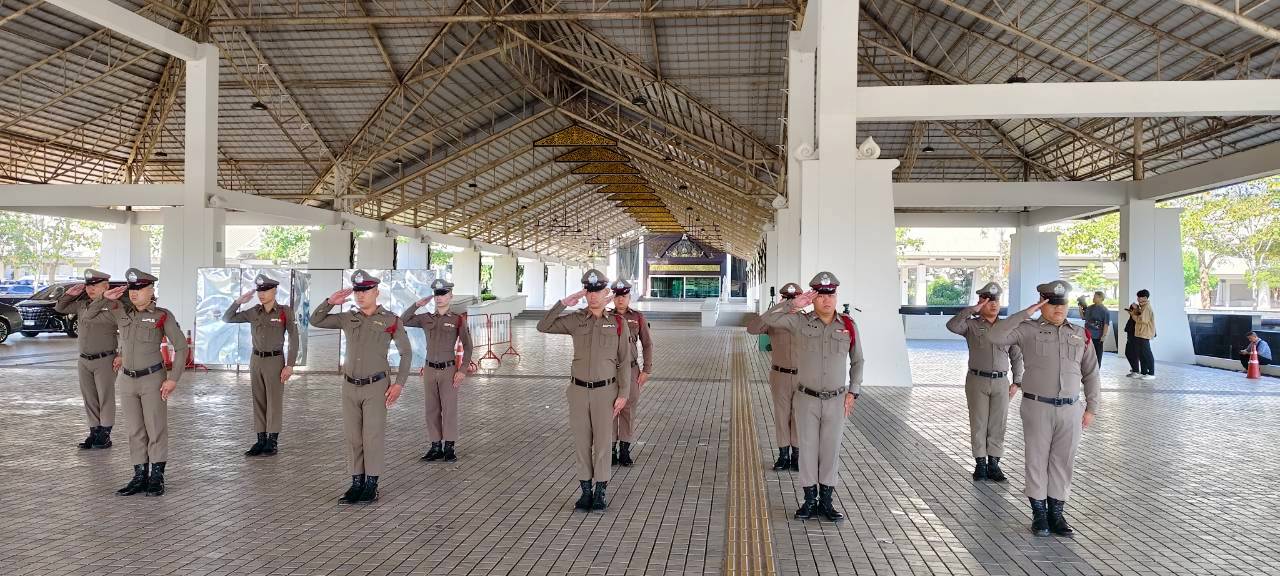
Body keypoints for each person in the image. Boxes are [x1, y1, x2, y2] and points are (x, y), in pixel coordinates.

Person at [987, 279, 1100, 537]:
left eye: (1063, 304)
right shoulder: (1027, 330)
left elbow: (1091, 373)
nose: (1059, 309)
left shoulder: (1080, 333)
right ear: (1042, 304)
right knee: (1037, 460)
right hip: (1037, 406)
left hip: (1070, 408)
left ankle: (1056, 514)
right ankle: (1039, 514)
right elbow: (995, 335)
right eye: (1052, 304)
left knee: (1063, 461)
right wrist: (1027, 312)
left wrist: (1091, 407)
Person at [756, 272, 863, 522]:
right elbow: (766, 320)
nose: (827, 300)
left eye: (831, 295)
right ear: (813, 298)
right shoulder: (799, 322)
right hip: (806, 399)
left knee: (830, 450)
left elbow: (858, 360)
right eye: (821, 295)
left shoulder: (848, 325)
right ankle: (809, 500)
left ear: (836, 297)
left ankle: (826, 502)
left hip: (836, 400)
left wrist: (853, 391)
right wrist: (793, 304)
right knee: (807, 450)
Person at [309, 270, 412, 504]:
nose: (360, 295)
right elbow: (316, 320)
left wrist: (399, 384)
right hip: (349, 386)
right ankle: (356, 483)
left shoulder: (391, 320)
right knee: (353, 437)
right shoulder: (347, 317)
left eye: (365, 290)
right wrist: (329, 302)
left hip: (376, 386)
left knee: (372, 436)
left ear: (376, 292)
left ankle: (371, 485)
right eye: (357, 291)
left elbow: (406, 353)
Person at [536, 269, 632, 512]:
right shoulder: (576, 319)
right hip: (578, 391)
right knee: (581, 442)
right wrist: (564, 303)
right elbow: (543, 326)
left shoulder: (617, 323)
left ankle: (600, 491)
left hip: (606, 392)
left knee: (603, 443)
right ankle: (585, 491)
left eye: (597, 291)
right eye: (588, 291)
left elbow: (624, 361)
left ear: (606, 292)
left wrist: (623, 393)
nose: (592, 296)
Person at [104, 268, 187, 497]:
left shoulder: (162, 316)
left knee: (155, 428)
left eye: (140, 288)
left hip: (153, 379)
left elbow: (181, 347)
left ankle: (157, 477)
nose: (134, 292)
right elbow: (92, 314)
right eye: (132, 288)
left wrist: (173, 379)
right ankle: (139, 476)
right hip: (127, 381)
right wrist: (105, 298)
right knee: (134, 430)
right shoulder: (121, 312)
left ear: (151, 290)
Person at [945, 282, 1024, 483]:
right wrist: (972, 310)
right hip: (977, 380)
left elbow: (1016, 356)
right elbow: (952, 325)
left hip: (1001, 382)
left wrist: (1017, 381)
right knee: (979, 422)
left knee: (998, 424)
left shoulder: (1007, 327)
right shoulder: (971, 325)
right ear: (981, 302)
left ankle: (994, 464)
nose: (994, 304)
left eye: (996, 300)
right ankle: (980, 463)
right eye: (988, 301)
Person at [222, 273, 299, 457]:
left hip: (275, 360)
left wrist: (290, 365)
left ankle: (272, 441)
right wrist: (239, 302)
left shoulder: (284, 312)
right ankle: (260, 439)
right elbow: (227, 318)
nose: (262, 294)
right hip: (256, 360)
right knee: (258, 400)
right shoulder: (254, 312)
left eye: (265, 290)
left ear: (274, 291)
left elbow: (294, 339)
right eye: (259, 291)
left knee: (274, 401)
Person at [400, 278, 473, 463]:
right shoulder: (425, 318)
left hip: (449, 370)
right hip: (430, 370)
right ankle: (435, 447)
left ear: (450, 296)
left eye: (442, 294)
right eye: (436, 294)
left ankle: (449, 447)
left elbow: (468, 346)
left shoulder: (457, 319)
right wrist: (417, 305)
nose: (439, 297)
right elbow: (403, 320)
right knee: (431, 409)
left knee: (449, 409)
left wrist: (462, 369)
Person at [54, 269, 121, 449]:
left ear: (106, 287)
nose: (90, 289)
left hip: (105, 359)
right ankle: (94, 431)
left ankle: (105, 434)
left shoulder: (114, 305)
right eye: (88, 285)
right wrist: (69, 295)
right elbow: (60, 308)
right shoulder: (82, 305)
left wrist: (122, 354)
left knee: (105, 397)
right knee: (89, 397)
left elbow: (126, 330)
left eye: (95, 286)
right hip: (84, 360)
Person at [746, 281, 802, 471]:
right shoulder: (773, 320)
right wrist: (779, 308)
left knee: (798, 416)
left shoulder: (807, 320)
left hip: (803, 377)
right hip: (780, 375)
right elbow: (752, 328)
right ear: (781, 299)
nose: (791, 303)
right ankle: (783, 455)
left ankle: (797, 456)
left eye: (794, 299)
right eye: (787, 299)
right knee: (781, 416)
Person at [608, 278, 652, 467]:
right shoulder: (605, 317)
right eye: (617, 296)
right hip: (609, 371)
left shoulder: (638, 317)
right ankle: (610, 450)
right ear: (613, 298)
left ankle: (624, 450)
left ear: (629, 298)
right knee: (610, 409)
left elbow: (647, 344)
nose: (620, 300)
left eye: (624, 296)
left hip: (632, 370)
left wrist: (646, 370)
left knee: (628, 409)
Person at [1125, 289, 1156, 380]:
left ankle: (1151, 373)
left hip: (1144, 333)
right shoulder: (1143, 307)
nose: (1138, 299)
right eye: (1138, 297)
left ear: (1145, 298)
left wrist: (1132, 314)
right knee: (1141, 354)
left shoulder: (1147, 307)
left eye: (1140, 297)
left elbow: (1142, 320)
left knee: (1147, 353)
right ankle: (1144, 372)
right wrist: (1136, 310)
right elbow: (1140, 316)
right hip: (1140, 333)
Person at [1082, 291, 1110, 366]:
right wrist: (1080, 307)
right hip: (1087, 335)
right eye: (1093, 296)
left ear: (1101, 298)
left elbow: (1106, 324)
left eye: (1095, 297)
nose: (1093, 298)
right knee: (1087, 354)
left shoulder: (1104, 310)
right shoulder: (1090, 308)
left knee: (1097, 354)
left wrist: (1103, 336)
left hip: (1097, 336)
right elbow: (1083, 317)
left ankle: (1097, 369)